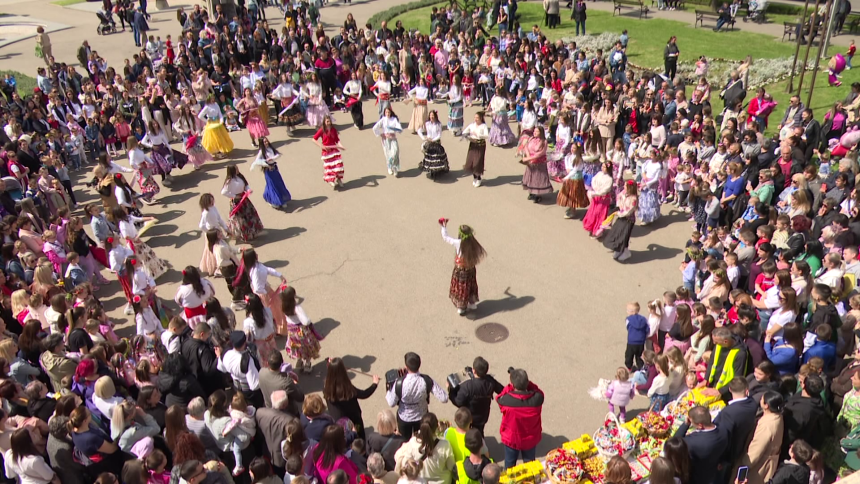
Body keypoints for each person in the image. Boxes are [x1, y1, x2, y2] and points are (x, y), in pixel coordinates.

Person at [385, 352, 448, 438]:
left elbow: (391, 403)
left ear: (406, 367)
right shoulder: (426, 380)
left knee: (404, 440)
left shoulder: (399, 383)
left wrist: (389, 388)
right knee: (421, 439)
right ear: (419, 365)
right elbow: (444, 398)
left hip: (404, 418)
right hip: (422, 416)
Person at [713, 377, 757, 484]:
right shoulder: (753, 404)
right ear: (746, 389)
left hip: (727, 456)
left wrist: (720, 460)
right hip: (740, 449)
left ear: (730, 389)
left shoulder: (728, 412)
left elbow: (721, 438)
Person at [497, 368, 544, 469]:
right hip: (530, 439)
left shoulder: (506, 401)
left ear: (513, 385)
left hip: (512, 440)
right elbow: (537, 390)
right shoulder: (537, 399)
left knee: (509, 466)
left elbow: (500, 397)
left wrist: (510, 386)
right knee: (530, 466)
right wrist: (527, 383)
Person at [324, 356, 379, 439]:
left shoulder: (327, 388)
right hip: (354, 420)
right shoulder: (347, 389)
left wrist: (333, 364)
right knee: (359, 434)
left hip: (340, 422)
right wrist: (374, 384)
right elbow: (364, 394)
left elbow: (333, 371)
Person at [439, 220, 487, 315]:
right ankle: (472, 303)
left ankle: (461, 307)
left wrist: (443, 227)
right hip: (471, 269)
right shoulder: (473, 243)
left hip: (461, 270)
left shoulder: (458, 243)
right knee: (471, 285)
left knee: (461, 288)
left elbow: (446, 238)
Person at [448, 356, 504, 435]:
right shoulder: (490, 382)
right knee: (479, 432)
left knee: (467, 434)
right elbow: (502, 390)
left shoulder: (468, 386)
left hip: (469, 417)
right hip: (483, 416)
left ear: (474, 371)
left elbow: (458, 402)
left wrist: (451, 392)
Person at [394, 413, 455, 484]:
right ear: (436, 427)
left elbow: (406, 462)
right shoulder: (445, 445)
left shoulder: (413, 442)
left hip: (420, 481)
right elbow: (451, 466)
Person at [674, 406, 728, 484]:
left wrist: (686, 424)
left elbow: (675, 441)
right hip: (713, 469)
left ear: (700, 425)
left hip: (698, 476)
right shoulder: (723, 431)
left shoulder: (692, 442)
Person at [741, 391, 785, 484]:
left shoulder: (767, 425)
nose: (760, 399)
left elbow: (757, 448)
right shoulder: (778, 416)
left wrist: (745, 464)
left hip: (760, 465)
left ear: (766, 405)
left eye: (762, 399)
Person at [217, 331, 264, 408]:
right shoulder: (247, 360)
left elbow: (221, 368)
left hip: (236, 388)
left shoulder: (225, 353)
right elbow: (254, 385)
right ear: (244, 342)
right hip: (249, 393)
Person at [220, 165, 263, 243]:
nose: (238, 170)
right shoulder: (229, 181)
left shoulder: (240, 176)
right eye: (236, 169)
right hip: (237, 202)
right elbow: (223, 192)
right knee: (241, 219)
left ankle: (253, 232)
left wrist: (248, 190)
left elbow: (246, 185)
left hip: (244, 200)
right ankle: (245, 235)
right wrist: (234, 196)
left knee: (250, 215)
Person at [251, 137, 291, 209]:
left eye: (267, 141)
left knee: (278, 183)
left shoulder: (271, 148)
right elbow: (257, 161)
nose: (266, 143)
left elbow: (278, 155)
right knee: (272, 185)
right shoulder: (262, 151)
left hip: (274, 169)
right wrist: (266, 164)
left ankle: (281, 199)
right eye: (264, 142)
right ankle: (274, 201)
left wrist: (272, 158)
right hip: (268, 171)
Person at [603, 181, 639, 262]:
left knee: (624, 235)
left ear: (630, 188)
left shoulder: (634, 198)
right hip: (621, 217)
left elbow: (629, 211)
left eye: (626, 185)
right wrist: (619, 206)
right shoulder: (623, 192)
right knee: (617, 233)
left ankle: (626, 251)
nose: (624, 186)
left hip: (628, 220)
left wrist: (619, 213)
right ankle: (618, 249)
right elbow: (618, 197)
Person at [313, 116, 347, 189]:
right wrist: (321, 146)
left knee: (339, 165)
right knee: (330, 167)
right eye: (327, 121)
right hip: (327, 151)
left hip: (334, 150)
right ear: (324, 122)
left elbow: (337, 140)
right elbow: (314, 139)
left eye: (329, 121)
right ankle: (330, 180)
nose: (328, 123)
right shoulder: (322, 130)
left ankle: (339, 179)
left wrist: (341, 146)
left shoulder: (333, 130)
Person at [520, 126, 552, 203]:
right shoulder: (531, 138)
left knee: (538, 179)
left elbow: (540, 153)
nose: (534, 133)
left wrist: (529, 158)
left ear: (541, 133)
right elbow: (526, 147)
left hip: (539, 163)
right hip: (531, 163)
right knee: (530, 177)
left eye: (537, 131)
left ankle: (538, 195)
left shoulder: (544, 142)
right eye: (534, 131)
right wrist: (528, 156)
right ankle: (531, 192)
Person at [372, 107, 403, 177]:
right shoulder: (383, 120)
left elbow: (400, 129)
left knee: (395, 153)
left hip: (393, 139)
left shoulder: (394, 119)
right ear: (384, 113)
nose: (387, 114)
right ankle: (389, 167)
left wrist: (395, 129)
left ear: (391, 112)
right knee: (388, 154)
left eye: (389, 112)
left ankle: (395, 168)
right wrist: (380, 134)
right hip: (386, 140)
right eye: (386, 112)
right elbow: (374, 128)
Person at [418, 111, 450, 180]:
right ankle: (431, 171)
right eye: (430, 115)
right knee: (430, 157)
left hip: (436, 142)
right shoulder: (427, 124)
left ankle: (438, 171)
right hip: (429, 142)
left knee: (437, 157)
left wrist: (433, 140)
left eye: (433, 115)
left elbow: (439, 134)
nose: (431, 117)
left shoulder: (438, 124)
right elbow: (419, 130)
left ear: (435, 116)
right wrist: (424, 138)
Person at [462, 112, 490, 187]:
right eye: (475, 117)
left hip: (480, 145)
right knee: (471, 161)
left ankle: (479, 178)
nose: (476, 119)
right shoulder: (472, 125)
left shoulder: (483, 126)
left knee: (478, 162)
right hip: (473, 145)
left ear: (481, 118)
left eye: (477, 118)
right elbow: (464, 132)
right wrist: (467, 136)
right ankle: (475, 177)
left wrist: (479, 135)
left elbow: (486, 135)